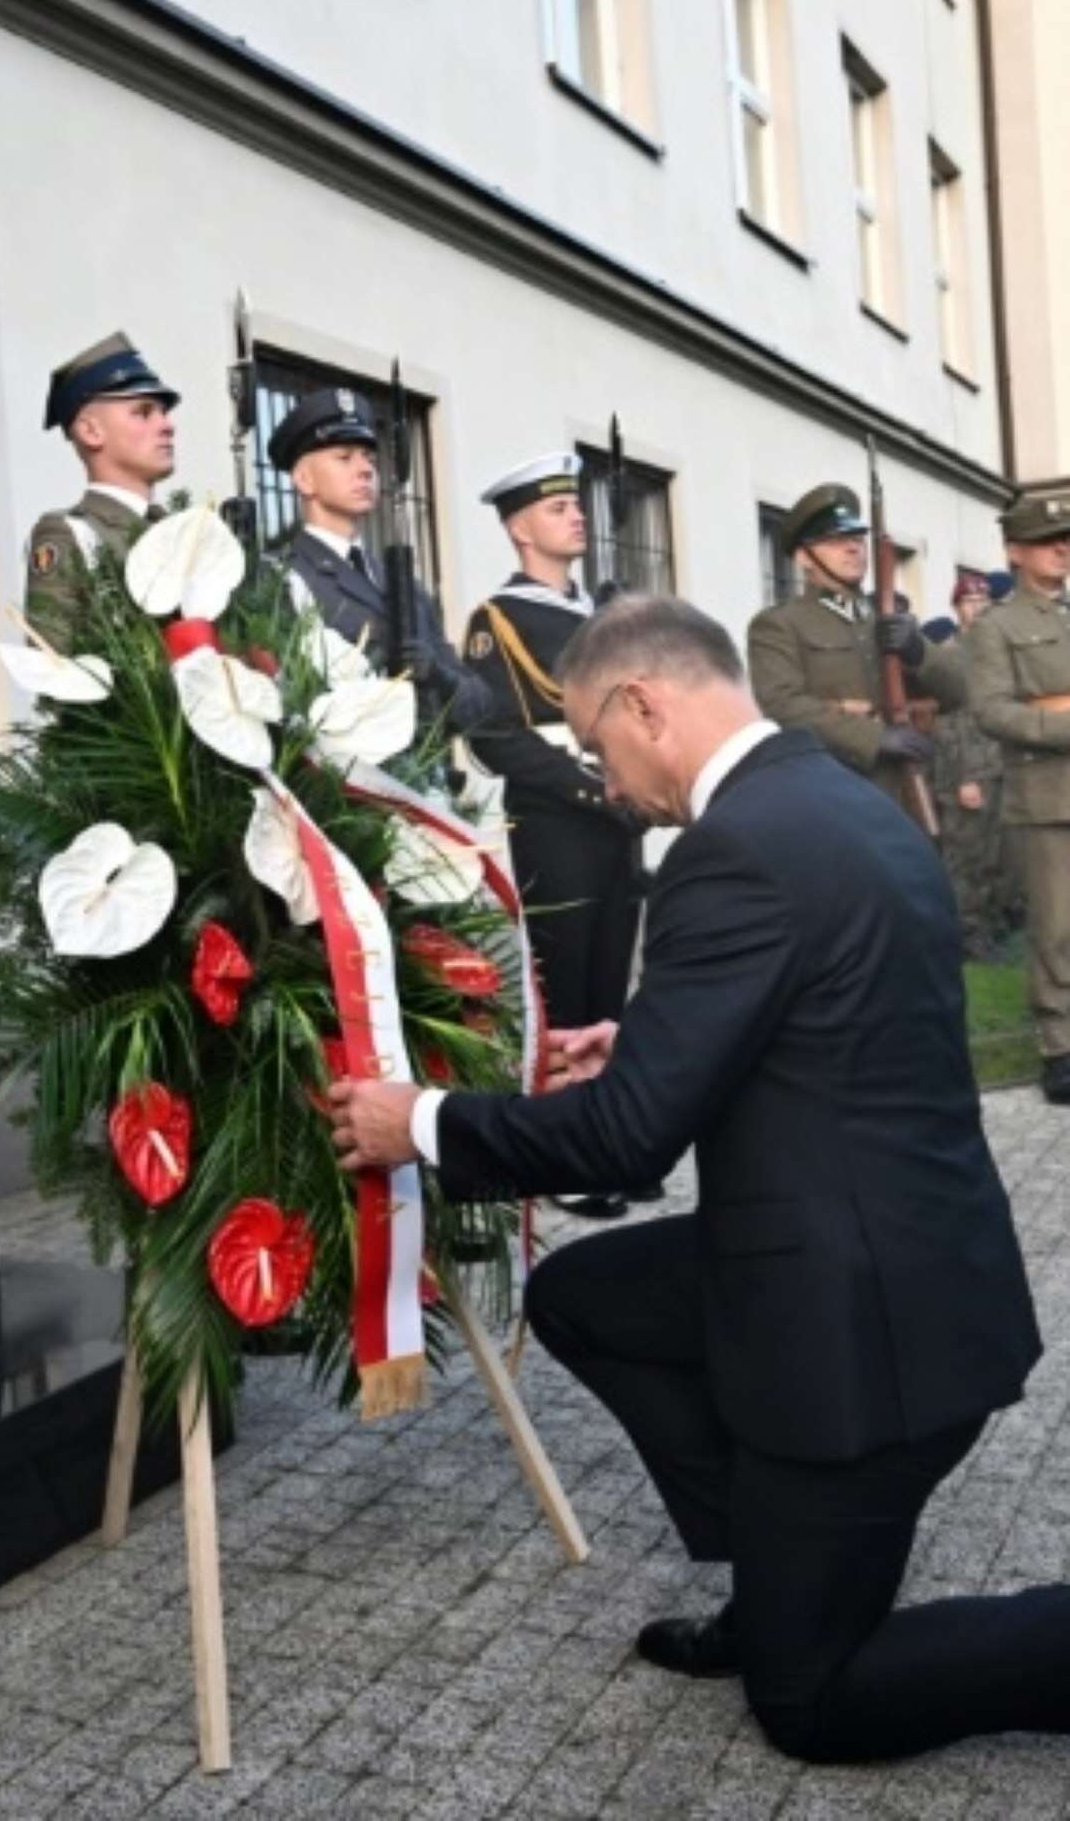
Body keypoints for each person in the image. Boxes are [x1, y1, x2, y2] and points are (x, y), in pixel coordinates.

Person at [329, 593, 1070, 1767]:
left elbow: (625, 1147)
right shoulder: (832, 802)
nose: (606, 783)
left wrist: (413, 1119)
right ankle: (780, 1563)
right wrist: (652, 1036)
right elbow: (838, 1009)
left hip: (864, 1342)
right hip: (915, 1271)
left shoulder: (733, 851)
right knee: (588, 1296)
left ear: (643, 704)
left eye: (595, 748)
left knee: (811, 1707)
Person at [464, 451, 650, 1220]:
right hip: (558, 821)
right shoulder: (498, 620)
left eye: (576, 505)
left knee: (612, 987)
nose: (576, 516)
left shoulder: (603, 614)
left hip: (620, 818)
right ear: (518, 528)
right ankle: (565, 1155)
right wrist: (585, 786)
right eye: (555, 508)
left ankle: (610, 1141)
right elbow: (492, 734)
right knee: (564, 994)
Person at [266, 388, 490, 730]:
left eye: (369, 459)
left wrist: (437, 675)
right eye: (344, 458)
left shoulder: (402, 584)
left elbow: (479, 705)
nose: (365, 470)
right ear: (304, 479)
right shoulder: (283, 575)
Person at [747, 483, 964, 809]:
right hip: (832, 791)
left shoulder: (887, 618)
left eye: (857, 539)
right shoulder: (779, 624)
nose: (853, 549)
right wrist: (873, 737)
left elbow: (960, 691)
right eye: (836, 541)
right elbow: (783, 706)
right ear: (805, 557)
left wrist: (918, 651)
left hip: (906, 789)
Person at [967, 496, 1070, 1104]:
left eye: (1065, 538)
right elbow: (990, 710)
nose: (1061, 548)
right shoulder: (997, 628)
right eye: (1046, 539)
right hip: (1045, 795)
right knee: (1057, 928)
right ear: (1014, 551)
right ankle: (1060, 1046)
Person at [25, 332, 179, 652]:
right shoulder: (72, 534)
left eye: (164, 412)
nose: (167, 425)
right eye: (144, 412)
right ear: (91, 431)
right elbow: (52, 670)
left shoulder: (179, 531)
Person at [931, 573, 1012, 960]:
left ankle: (990, 931)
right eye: (969, 602)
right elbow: (948, 724)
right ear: (956, 609)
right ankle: (964, 936)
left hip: (999, 765)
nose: (978, 608)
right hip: (966, 772)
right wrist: (964, 778)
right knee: (965, 858)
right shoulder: (950, 655)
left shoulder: (994, 651)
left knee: (996, 855)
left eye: (983, 601)